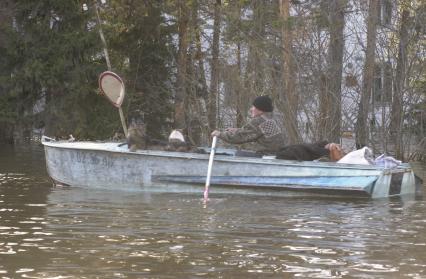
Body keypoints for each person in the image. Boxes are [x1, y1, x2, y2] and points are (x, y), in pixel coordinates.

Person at [211, 95, 287, 155]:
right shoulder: (273, 119)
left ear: (260, 109)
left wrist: (220, 134)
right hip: (277, 155)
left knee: (238, 154)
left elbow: (238, 138)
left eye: (253, 107)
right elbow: (254, 132)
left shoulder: (260, 121)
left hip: (267, 156)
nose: (251, 109)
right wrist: (237, 130)